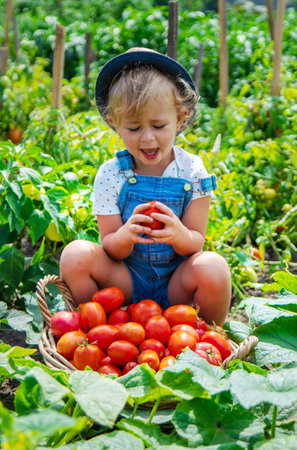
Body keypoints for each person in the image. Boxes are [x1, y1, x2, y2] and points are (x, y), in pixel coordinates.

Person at [60, 47, 231, 325]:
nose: (147, 138)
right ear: (114, 123)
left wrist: (179, 234)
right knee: (75, 256)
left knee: (214, 267)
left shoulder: (192, 171)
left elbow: (196, 242)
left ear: (181, 118)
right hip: (125, 282)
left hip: (178, 285)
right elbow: (110, 248)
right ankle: (96, 332)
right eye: (134, 128)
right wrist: (125, 236)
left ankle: (208, 338)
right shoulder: (111, 174)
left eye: (159, 125)